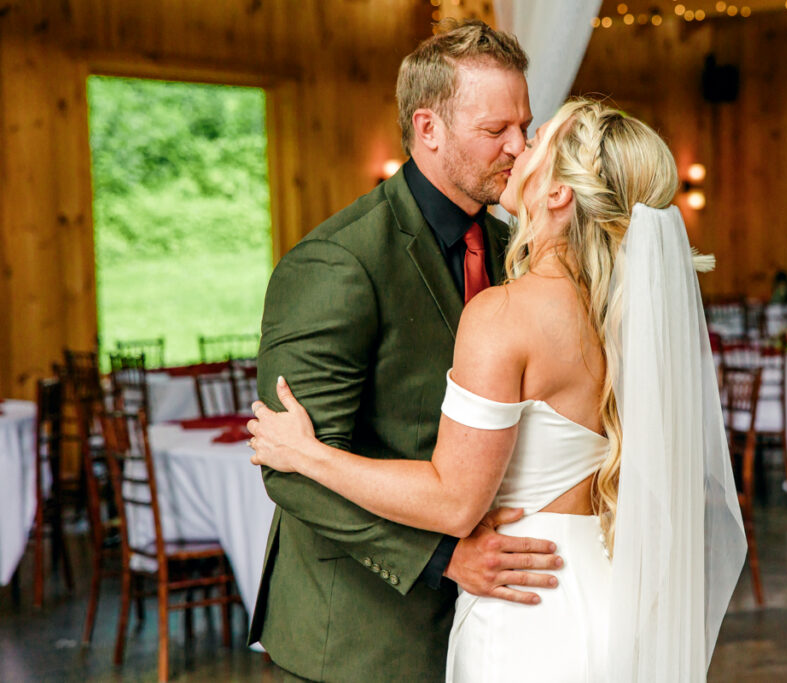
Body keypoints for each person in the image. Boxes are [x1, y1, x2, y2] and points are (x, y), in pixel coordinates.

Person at [249, 99, 748, 682]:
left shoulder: (506, 311)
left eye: (534, 142)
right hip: (607, 589)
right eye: (505, 131)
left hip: (528, 614)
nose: (518, 150)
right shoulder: (622, 314)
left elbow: (454, 500)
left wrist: (309, 455)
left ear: (560, 193)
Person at [248, 20, 563, 682]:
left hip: (495, 622)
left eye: (525, 125)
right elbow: (290, 465)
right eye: (496, 129)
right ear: (429, 129)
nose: (521, 146)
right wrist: (445, 555)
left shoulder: (516, 251)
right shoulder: (339, 263)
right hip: (361, 638)